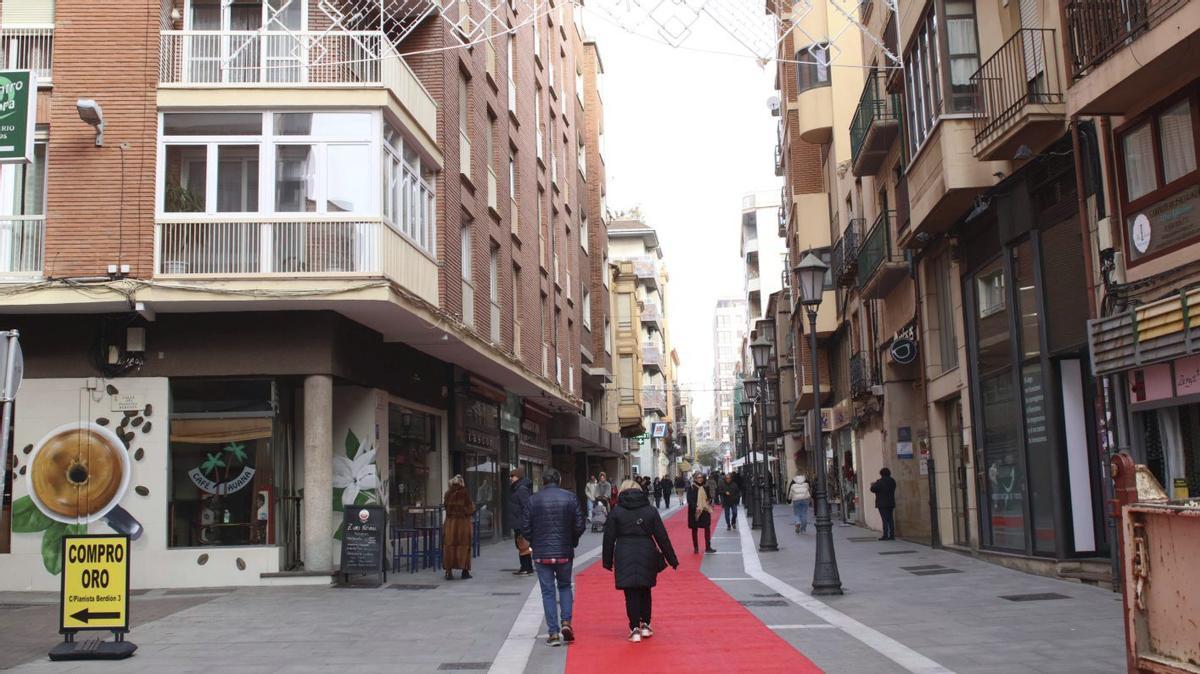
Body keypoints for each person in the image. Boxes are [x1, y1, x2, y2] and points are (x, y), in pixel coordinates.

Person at [603, 479, 679, 643]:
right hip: (646, 550)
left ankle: (634, 628)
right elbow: (662, 537)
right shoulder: (650, 510)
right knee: (645, 589)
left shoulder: (616, 511)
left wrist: (607, 561)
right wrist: (672, 559)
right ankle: (646, 624)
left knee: (630, 592)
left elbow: (608, 538)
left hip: (624, 551)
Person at [522, 467, 586, 647]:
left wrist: (534, 541)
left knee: (547, 592)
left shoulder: (533, 499)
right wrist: (572, 540)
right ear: (558, 480)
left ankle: (553, 632)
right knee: (565, 586)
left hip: (542, 553)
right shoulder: (570, 497)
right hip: (564, 552)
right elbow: (580, 524)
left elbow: (525, 526)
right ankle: (566, 622)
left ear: (544, 481)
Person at [442, 475, 475, 580]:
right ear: (461, 483)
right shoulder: (464, 493)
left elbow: (446, 507)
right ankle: (464, 572)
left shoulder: (448, 494)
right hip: (463, 525)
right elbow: (469, 509)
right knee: (464, 546)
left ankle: (448, 572)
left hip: (450, 524)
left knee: (449, 546)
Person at [507, 468, 534, 576]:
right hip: (518, 521)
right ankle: (525, 567)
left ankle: (526, 568)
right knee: (521, 545)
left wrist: (524, 522)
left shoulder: (521, 489)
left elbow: (526, 507)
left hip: (521, 522)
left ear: (518, 476)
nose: (510, 478)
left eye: (512, 476)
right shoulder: (517, 488)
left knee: (523, 545)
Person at [686, 473, 716, 554]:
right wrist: (696, 507)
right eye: (698, 477)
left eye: (701, 477)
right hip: (694, 511)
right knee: (694, 529)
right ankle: (696, 547)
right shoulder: (691, 487)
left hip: (704, 510)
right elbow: (689, 499)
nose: (700, 479)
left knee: (707, 528)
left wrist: (709, 500)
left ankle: (708, 547)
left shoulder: (706, 487)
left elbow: (709, 497)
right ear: (695, 478)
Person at [870, 467, 897, 540]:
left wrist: (872, 485)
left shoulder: (880, 482)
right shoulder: (892, 481)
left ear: (881, 474)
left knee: (884, 519)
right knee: (890, 519)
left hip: (882, 503)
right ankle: (892, 535)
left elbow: (873, 489)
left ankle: (885, 535)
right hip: (890, 502)